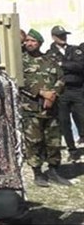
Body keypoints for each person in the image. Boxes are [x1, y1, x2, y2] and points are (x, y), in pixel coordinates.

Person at [18, 28, 71, 187]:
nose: (29, 43)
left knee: (54, 141)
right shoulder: (20, 61)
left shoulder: (50, 59)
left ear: (39, 43)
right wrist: (42, 93)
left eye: (33, 41)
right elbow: (20, 82)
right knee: (34, 142)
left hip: (51, 108)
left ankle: (54, 170)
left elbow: (61, 78)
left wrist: (52, 95)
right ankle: (38, 173)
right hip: (32, 109)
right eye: (27, 41)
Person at [47, 25, 84, 161]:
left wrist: (62, 64)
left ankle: (82, 138)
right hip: (61, 91)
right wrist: (70, 66)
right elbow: (52, 71)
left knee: (81, 117)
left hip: (76, 89)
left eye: (64, 35)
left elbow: (80, 66)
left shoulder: (74, 50)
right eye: (60, 35)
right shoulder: (49, 53)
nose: (63, 37)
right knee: (64, 122)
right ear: (53, 37)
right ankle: (72, 149)